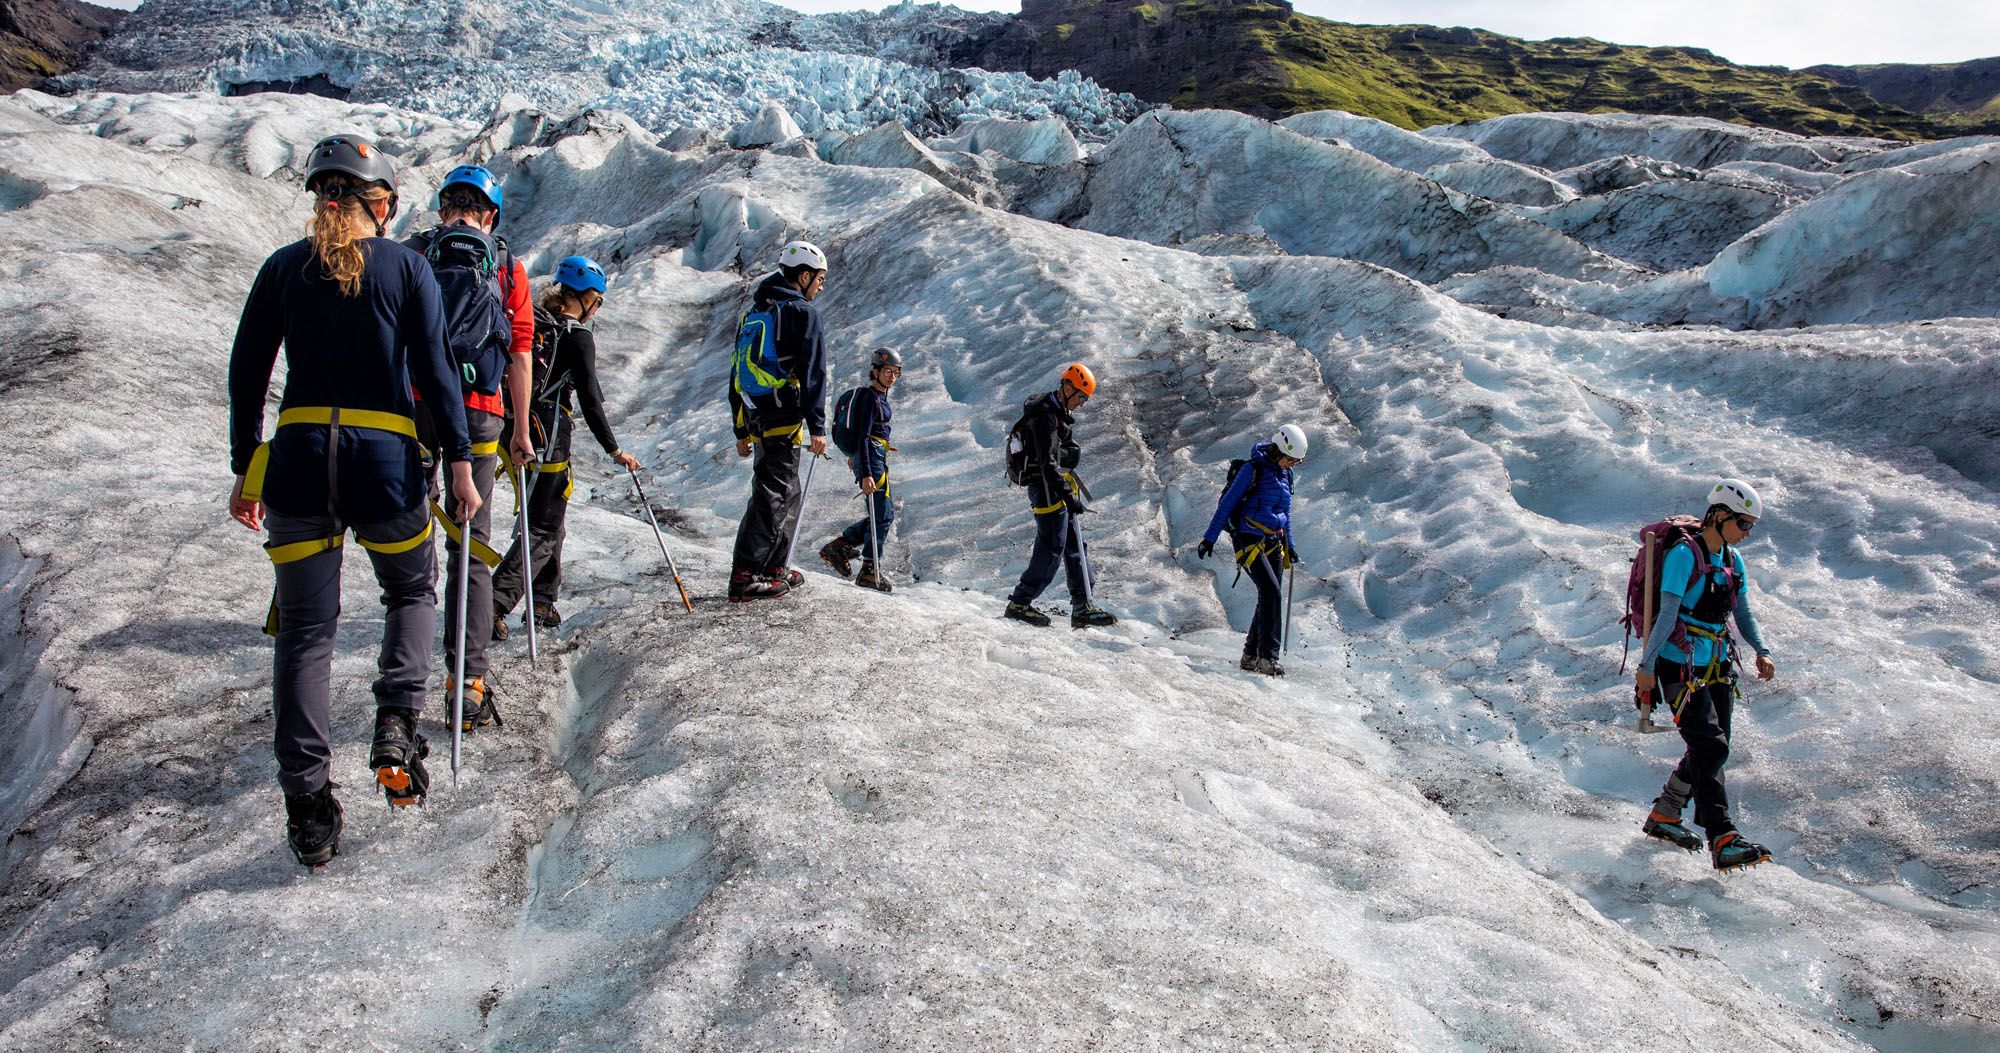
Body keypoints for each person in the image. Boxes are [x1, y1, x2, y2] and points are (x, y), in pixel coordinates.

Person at [227, 134, 482, 867]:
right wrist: (461, 461)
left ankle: (308, 807)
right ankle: (397, 722)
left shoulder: (284, 267)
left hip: (301, 460)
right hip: (384, 464)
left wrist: (249, 467)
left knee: (305, 630)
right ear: (384, 205)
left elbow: (248, 371)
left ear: (321, 197)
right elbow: (436, 370)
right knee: (411, 590)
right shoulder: (407, 266)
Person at [405, 164, 535, 732]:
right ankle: (469, 683)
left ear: (443, 209)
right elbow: (521, 352)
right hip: (481, 415)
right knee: (471, 546)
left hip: (415, 410)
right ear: (491, 215)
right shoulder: (507, 266)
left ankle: (404, 686)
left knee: (409, 544)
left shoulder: (412, 255)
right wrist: (522, 429)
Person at [1634, 478, 1778, 872]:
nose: (1747, 533)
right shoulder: (1684, 554)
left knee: (1713, 746)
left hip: (1716, 663)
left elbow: (1742, 613)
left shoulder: (1732, 560)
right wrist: (1646, 668)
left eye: (1751, 526)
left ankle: (1666, 813)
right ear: (1720, 515)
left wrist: (1761, 650)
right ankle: (1723, 837)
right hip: (1677, 663)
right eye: (1743, 524)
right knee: (1711, 747)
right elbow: (1667, 613)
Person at [492, 256, 641, 632]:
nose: (597, 308)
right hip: (548, 433)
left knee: (548, 518)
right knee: (544, 523)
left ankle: (543, 601)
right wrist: (614, 450)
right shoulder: (577, 336)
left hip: (508, 426)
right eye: (599, 300)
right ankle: (492, 604)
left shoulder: (534, 321)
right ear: (588, 297)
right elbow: (590, 399)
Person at [727, 240, 830, 603]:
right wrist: (817, 426)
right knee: (773, 494)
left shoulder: (757, 311)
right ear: (803, 276)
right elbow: (814, 374)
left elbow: (736, 374)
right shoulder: (803, 313)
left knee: (786, 491)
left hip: (758, 413)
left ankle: (774, 566)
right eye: (819, 278)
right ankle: (745, 576)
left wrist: (740, 428)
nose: (821, 285)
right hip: (784, 416)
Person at [1003, 363, 1118, 629]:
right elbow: (1048, 464)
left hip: (1053, 486)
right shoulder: (1045, 416)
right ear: (1067, 388)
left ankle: (1082, 604)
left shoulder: (1055, 411)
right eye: (1081, 397)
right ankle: (1020, 603)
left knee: (1074, 544)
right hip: (1046, 490)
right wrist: (1068, 496)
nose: (1082, 404)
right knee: (1052, 547)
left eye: (1085, 399)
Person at [1197, 425, 1306, 675]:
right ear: (1279, 450)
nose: (1293, 465)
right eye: (1291, 459)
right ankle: (1268, 658)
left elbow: (1285, 514)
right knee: (1271, 593)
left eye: (1296, 462)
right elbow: (1227, 504)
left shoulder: (1285, 475)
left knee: (1269, 595)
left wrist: (1290, 546)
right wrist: (1209, 539)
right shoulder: (1252, 469)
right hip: (1248, 540)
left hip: (1274, 542)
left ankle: (1250, 655)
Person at [819, 347, 901, 593]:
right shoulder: (870, 397)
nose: (892, 377)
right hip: (871, 461)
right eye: (887, 371)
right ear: (874, 371)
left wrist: (882, 445)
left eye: (896, 373)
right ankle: (868, 568)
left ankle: (842, 547)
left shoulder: (878, 397)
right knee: (883, 514)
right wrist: (866, 472)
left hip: (874, 456)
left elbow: (871, 435)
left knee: (882, 514)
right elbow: (864, 437)